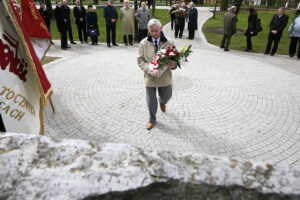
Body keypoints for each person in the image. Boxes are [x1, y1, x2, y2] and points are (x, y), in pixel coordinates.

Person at [137, 19, 176, 130]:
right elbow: (140, 59)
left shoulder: (169, 42)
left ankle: (162, 102)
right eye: (152, 31)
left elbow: (175, 60)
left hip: (164, 76)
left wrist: (172, 64)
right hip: (150, 76)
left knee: (167, 95)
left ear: (161, 28)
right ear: (149, 30)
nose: (154, 33)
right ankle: (152, 119)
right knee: (151, 99)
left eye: (156, 30)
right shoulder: (143, 43)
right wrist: (148, 68)